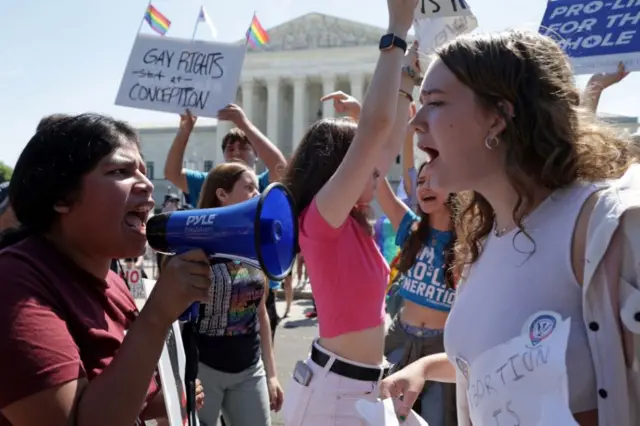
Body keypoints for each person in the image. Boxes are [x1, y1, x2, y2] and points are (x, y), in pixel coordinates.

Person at [379, 30, 640, 426]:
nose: (415, 122)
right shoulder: (480, 242)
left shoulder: (610, 229)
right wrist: (428, 367)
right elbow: (507, 354)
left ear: (497, 118)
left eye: (434, 103)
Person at [0, 113, 211, 426]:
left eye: (143, 170)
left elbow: (117, 397)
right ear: (62, 196)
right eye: (120, 171)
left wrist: (168, 396)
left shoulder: (113, 281)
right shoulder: (14, 283)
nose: (147, 184)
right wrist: (156, 315)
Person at [279, 1, 420, 423]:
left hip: (362, 386)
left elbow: (388, 137)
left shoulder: (348, 222)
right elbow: (377, 129)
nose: (376, 167)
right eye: (362, 161)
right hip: (336, 395)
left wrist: (408, 79)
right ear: (336, 169)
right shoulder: (322, 223)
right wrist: (396, 28)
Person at [193, 162, 284, 426]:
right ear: (222, 194)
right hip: (203, 371)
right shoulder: (196, 246)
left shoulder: (256, 245)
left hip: (249, 369)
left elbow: (261, 313)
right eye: (249, 187)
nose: (258, 194)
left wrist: (271, 374)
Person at [377, 162, 458, 426]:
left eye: (434, 180)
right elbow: (379, 184)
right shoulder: (410, 228)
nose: (424, 187)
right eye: (421, 181)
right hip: (400, 338)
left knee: (437, 419)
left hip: (442, 349)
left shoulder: (472, 241)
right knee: (386, 415)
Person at [164, 104, 286, 203]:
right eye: (231, 149)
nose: (237, 153)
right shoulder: (210, 183)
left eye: (244, 148)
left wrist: (244, 124)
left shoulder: (261, 184)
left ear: (256, 155)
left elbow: (280, 167)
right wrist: (185, 130)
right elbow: (172, 173)